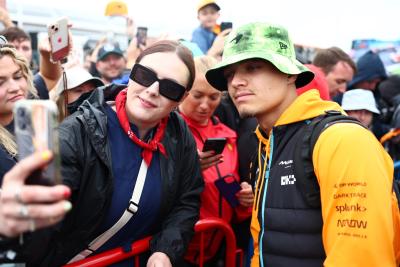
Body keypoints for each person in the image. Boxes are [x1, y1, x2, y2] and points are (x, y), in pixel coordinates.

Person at [205, 22, 400, 266]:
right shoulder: (266, 143)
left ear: (290, 73)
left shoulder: (342, 140)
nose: (236, 82)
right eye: (230, 74)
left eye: (252, 67)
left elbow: (360, 258)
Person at [2, 40, 204, 266]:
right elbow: (40, 223)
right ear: (131, 73)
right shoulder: (76, 135)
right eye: (145, 76)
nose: (153, 90)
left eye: (170, 88)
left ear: (182, 98)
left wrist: (165, 250)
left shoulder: (178, 131)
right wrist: (11, 225)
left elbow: (187, 201)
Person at [178, 56, 252, 265]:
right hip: (178, 249)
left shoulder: (228, 135)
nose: (205, 105)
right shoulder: (168, 130)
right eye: (198, 95)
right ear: (184, 92)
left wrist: (244, 198)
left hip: (219, 247)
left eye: (213, 97)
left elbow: (227, 187)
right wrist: (188, 169)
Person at [0, 44, 37, 179]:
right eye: (0, 83)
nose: (15, 88)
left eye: (17, 77)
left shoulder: (30, 115)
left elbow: (50, 77)